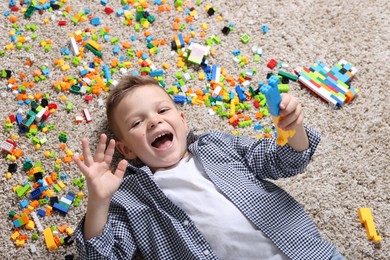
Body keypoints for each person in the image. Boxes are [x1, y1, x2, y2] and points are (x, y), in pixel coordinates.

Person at [73, 75, 344, 259]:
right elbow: (103, 254)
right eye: (136, 123)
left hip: (305, 252)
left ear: (182, 119)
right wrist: (98, 201)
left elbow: (285, 161)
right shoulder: (127, 197)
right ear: (127, 150)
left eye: (163, 111)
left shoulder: (216, 145)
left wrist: (292, 128)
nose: (154, 122)